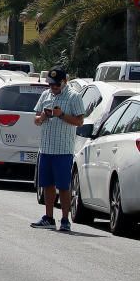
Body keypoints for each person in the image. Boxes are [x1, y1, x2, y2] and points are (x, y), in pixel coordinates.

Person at [31, 68, 85, 231]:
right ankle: (48, 217)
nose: (53, 87)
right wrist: (42, 117)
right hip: (46, 148)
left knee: (63, 186)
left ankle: (65, 220)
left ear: (64, 82)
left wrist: (61, 115)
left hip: (63, 150)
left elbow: (80, 121)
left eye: (56, 85)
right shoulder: (45, 95)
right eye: (51, 84)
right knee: (47, 184)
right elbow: (36, 119)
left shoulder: (73, 97)